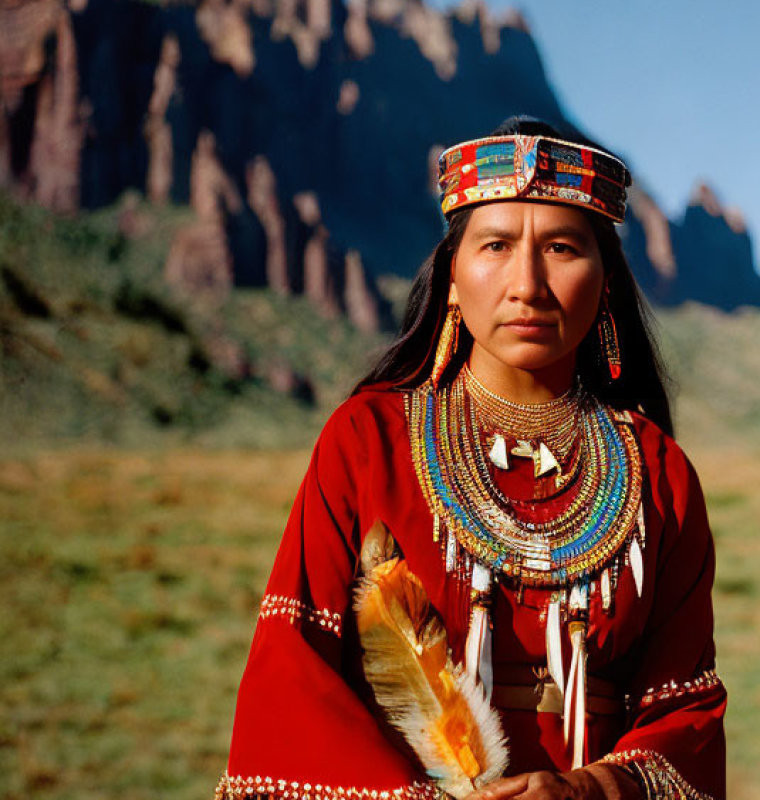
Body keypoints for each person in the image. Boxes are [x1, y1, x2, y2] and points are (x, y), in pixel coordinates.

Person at [217, 118, 726, 800]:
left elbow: (682, 710)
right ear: (453, 277)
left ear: (606, 283)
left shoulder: (657, 473)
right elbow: (294, 675)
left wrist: (588, 791)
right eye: (495, 245)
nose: (528, 284)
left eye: (564, 248)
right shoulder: (368, 442)